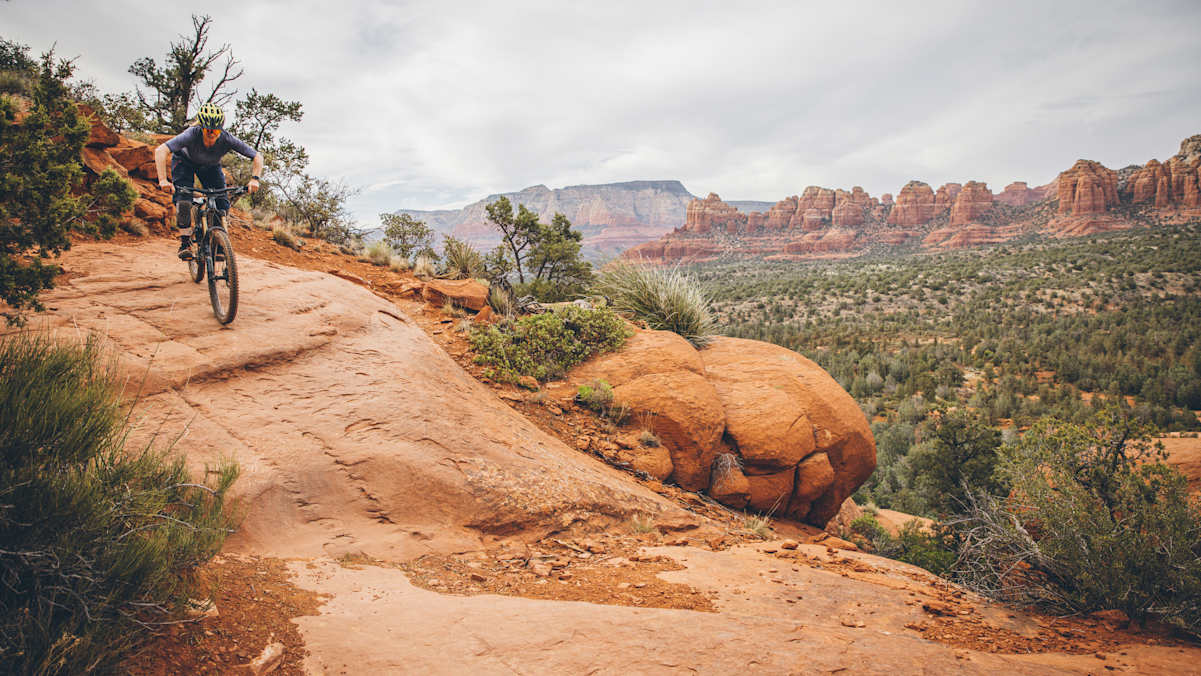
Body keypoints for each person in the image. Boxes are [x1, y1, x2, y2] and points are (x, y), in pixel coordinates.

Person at [154, 103, 263, 260]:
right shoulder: (191, 134)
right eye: (208, 129)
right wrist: (163, 180)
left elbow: (257, 156)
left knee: (222, 203)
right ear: (202, 127)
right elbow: (161, 150)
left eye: (216, 130)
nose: (212, 133)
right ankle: (185, 243)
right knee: (183, 200)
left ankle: (219, 243)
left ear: (220, 128)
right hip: (184, 163)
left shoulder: (226, 138)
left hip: (210, 166)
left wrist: (255, 179)